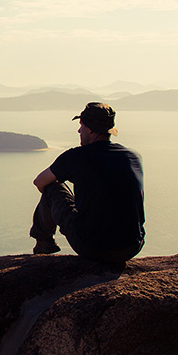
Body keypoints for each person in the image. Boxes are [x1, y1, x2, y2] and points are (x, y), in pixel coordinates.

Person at [30, 102, 144, 263]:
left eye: (80, 125)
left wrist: (70, 204)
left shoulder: (76, 157)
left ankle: (44, 243)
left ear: (89, 129)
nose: (78, 130)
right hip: (132, 246)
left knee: (52, 187)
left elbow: (40, 182)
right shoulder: (133, 157)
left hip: (92, 248)